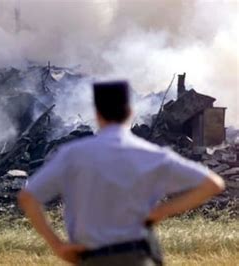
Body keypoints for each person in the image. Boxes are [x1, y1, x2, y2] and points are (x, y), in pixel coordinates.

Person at [17, 80, 225, 265]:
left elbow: (28, 197)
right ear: (130, 112)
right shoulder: (151, 155)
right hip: (138, 256)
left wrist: (58, 245)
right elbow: (213, 184)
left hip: (91, 257)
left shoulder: (73, 154)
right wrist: (160, 212)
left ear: (97, 114)